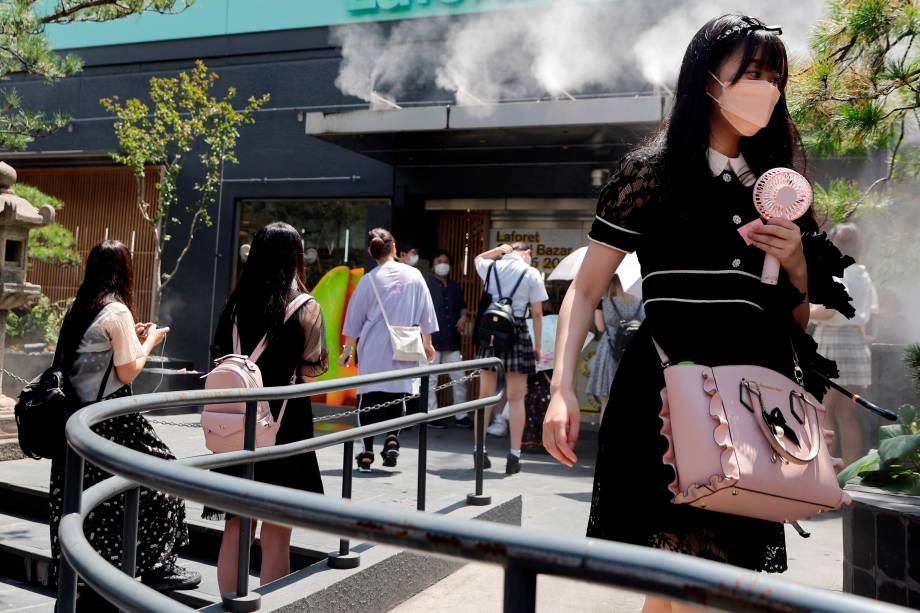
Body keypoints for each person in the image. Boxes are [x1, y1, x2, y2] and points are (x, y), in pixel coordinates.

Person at [542, 15, 855, 613]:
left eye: (775, 77)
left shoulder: (775, 188)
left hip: (752, 413)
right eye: (752, 73)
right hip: (666, 402)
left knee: (688, 594)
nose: (766, 88)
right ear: (708, 79)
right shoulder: (651, 174)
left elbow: (789, 329)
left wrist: (795, 269)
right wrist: (560, 390)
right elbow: (584, 291)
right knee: (686, 588)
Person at [48, 240, 199, 602]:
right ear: (125, 271)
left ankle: (91, 570)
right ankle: (156, 566)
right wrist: (151, 341)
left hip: (76, 417)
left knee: (92, 499)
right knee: (162, 474)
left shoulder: (81, 307)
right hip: (111, 418)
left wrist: (134, 336)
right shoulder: (115, 310)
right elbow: (128, 370)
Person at [204, 222, 328, 593]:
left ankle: (228, 603)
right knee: (277, 531)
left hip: (235, 422)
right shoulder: (305, 307)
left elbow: (217, 355)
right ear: (293, 259)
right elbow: (314, 366)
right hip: (285, 423)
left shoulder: (235, 303)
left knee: (236, 526)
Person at [341, 228, 437, 472]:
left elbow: (354, 319)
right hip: (404, 346)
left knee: (368, 398)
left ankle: (366, 452)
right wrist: (427, 343)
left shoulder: (369, 279)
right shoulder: (415, 276)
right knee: (397, 394)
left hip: (373, 348)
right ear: (394, 248)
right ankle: (392, 439)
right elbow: (427, 313)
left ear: (373, 252)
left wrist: (347, 350)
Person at [474, 242, 548, 475]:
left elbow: (477, 258)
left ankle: (479, 450)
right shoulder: (531, 273)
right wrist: (537, 345)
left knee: (483, 397)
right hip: (517, 332)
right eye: (530, 255)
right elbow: (536, 313)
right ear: (526, 252)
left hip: (491, 333)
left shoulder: (491, 267)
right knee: (516, 399)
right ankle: (514, 455)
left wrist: (497, 251)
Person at [811, 223, 878, 464]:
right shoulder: (862, 272)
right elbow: (870, 312)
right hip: (856, 344)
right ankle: (850, 471)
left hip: (832, 342)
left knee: (825, 410)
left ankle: (828, 473)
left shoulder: (837, 270)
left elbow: (829, 310)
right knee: (847, 414)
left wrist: (804, 311)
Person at [586, 275, 645, 416]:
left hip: (610, 352)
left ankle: (607, 436)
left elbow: (600, 327)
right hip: (637, 350)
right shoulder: (640, 300)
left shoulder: (604, 301)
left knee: (607, 400)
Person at [426, 249, 472, 428]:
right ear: (432, 266)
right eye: (438, 261)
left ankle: (461, 415)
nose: (442, 264)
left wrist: (463, 316)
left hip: (453, 340)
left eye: (445, 261)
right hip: (433, 341)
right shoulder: (427, 286)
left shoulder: (456, 286)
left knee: (459, 378)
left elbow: (463, 307)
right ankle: (432, 415)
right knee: (431, 380)